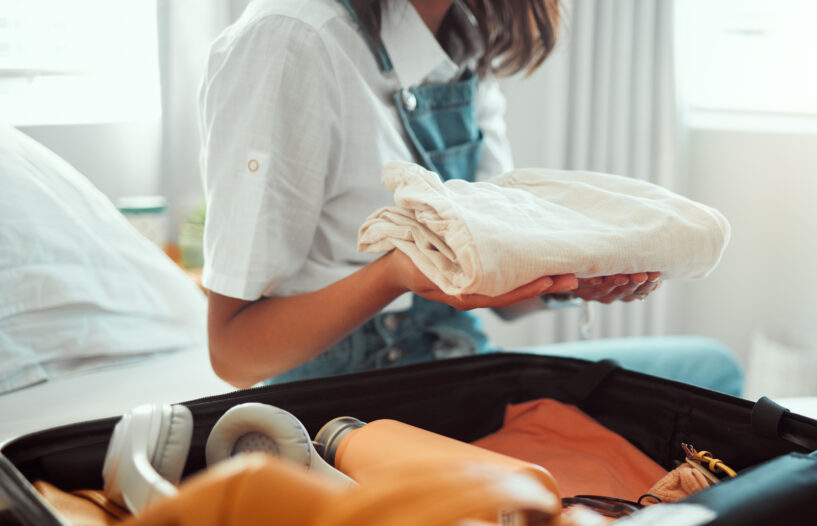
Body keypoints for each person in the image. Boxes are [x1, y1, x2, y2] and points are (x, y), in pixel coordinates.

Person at [199, 0, 743, 395]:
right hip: (348, 398)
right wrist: (394, 274)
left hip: (459, 359)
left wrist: (575, 280)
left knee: (714, 369)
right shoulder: (288, 40)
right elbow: (233, 354)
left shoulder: (463, 42)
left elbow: (498, 289)